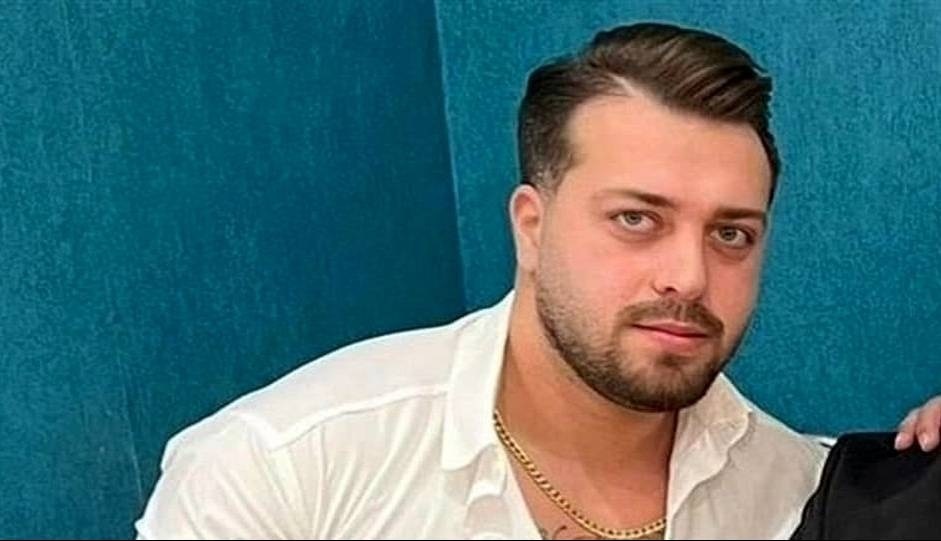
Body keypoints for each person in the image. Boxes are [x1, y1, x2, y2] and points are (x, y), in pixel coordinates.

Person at [136, 22, 941, 540]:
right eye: (636, 218)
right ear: (530, 225)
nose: (688, 276)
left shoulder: (803, 498)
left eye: (730, 233)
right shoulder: (284, 469)